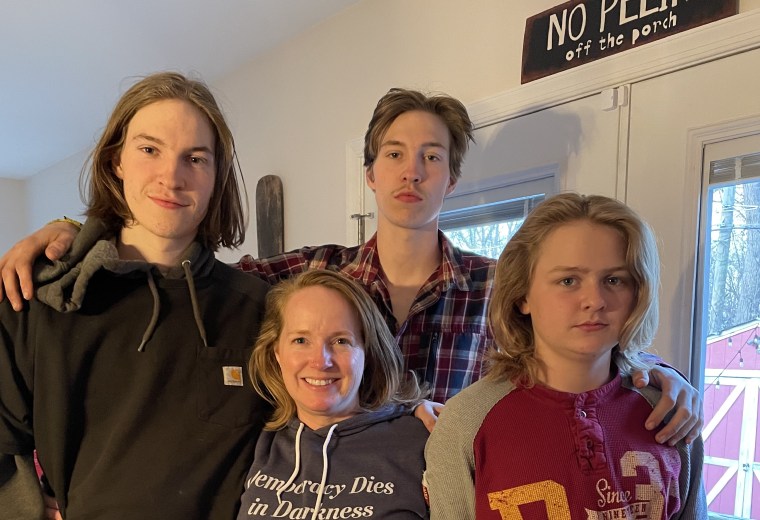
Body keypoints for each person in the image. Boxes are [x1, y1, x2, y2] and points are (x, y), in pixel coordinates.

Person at [0, 88, 702, 443]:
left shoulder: (498, 289)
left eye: (432, 157)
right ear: (369, 172)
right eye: (395, 153)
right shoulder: (312, 276)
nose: (412, 171)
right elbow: (179, 261)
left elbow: (587, 348)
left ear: (452, 178)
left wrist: (659, 375)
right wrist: (74, 229)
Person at [0, 72, 271, 519]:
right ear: (116, 161)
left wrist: (412, 416)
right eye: (149, 149)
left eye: (196, 158)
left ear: (217, 175)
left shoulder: (261, 311)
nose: (171, 175)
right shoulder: (38, 297)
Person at [424, 193, 707, 519]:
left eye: (614, 280)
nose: (595, 300)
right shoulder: (465, 424)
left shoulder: (672, 414)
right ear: (522, 295)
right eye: (568, 280)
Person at [238, 269, 429, 518]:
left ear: (367, 352)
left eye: (341, 341)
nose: (320, 361)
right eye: (300, 340)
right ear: (277, 353)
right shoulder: (253, 440)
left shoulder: (422, 441)